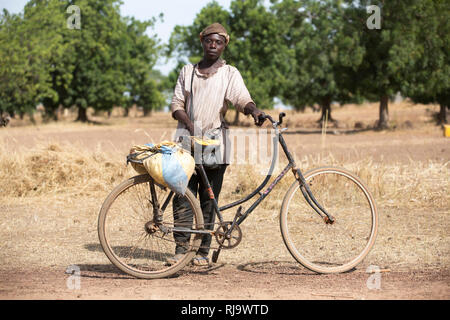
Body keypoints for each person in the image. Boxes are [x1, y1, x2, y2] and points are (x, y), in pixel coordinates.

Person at [168, 23, 265, 266]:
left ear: (224, 46)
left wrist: (253, 111)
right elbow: (176, 105)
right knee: (182, 195)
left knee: (209, 198)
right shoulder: (187, 71)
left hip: (214, 142)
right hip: (186, 141)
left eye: (218, 42)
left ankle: (202, 252)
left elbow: (242, 99)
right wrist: (190, 125)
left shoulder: (229, 73)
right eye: (209, 41)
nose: (213, 45)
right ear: (202, 41)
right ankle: (180, 250)